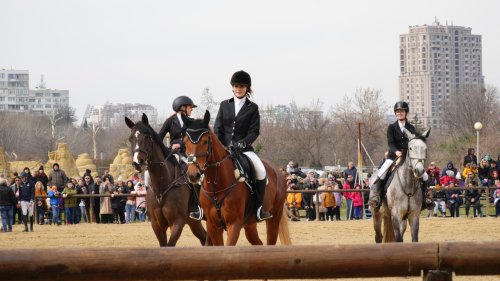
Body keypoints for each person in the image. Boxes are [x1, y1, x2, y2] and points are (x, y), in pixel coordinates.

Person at [213, 70, 271, 221]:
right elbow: (218, 128)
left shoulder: (253, 108)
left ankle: (259, 209)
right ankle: (199, 208)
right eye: (236, 86)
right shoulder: (224, 105)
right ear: (232, 87)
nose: (239, 89)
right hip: (224, 148)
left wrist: (240, 144)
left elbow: (254, 131)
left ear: (247, 89)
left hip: (244, 150)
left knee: (261, 171)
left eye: (242, 86)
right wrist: (222, 146)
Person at [369, 101, 428, 209]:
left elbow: (414, 143)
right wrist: (396, 151)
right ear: (395, 113)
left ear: (406, 113)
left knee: (425, 175)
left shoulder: (411, 128)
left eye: (402, 111)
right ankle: (377, 196)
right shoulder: (391, 127)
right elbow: (390, 142)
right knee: (382, 172)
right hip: (394, 156)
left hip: (408, 157)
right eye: (398, 111)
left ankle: (425, 198)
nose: (399, 113)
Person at [158, 95, 203, 221]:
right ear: (182, 107)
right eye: (190, 107)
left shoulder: (192, 122)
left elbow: (194, 140)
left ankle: (196, 206)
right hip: (174, 153)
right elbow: (159, 137)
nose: (191, 110)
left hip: (188, 153)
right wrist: (168, 149)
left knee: (194, 175)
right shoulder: (170, 121)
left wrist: (181, 144)